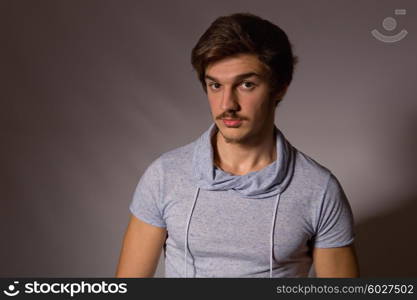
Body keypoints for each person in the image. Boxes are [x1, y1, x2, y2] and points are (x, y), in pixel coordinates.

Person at [115, 12, 360, 278]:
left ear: (280, 88)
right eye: (215, 85)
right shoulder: (165, 175)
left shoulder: (319, 189)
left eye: (246, 84)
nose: (227, 105)